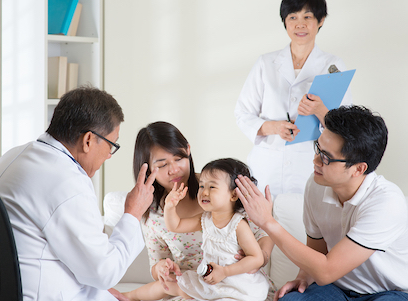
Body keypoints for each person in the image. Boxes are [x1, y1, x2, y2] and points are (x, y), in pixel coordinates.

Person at [0, 86, 158, 301]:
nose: (109, 156)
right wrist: (133, 213)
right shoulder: (67, 183)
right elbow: (105, 272)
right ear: (88, 141)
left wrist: (100, 290)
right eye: (111, 144)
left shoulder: (15, 155)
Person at [235, 105, 408, 300]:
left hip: (387, 293)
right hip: (336, 288)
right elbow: (316, 251)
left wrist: (268, 222)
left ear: (358, 169)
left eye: (326, 157)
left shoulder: (387, 203)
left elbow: (326, 270)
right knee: (291, 298)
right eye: (318, 148)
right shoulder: (316, 185)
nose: (315, 160)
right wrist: (303, 276)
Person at [130, 121, 275, 301]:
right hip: (196, 289)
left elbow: (264, 230)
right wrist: (161, 268)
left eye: (178, 158)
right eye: (162, 165)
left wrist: (259, 258)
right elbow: (160, 259)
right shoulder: (155, 215)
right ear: (147, 168)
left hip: (239, 284)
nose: (174, 169)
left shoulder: (223, 188)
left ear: (188, 150)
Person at [234, 0, 352, 197]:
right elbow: (243, 113)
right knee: (262, 220)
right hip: (267, 162)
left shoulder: (333, 65)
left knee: (304, 221)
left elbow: (346, 125)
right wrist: (275, 127)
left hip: (309, 162)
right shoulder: (266, 63)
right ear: (285, 22)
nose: (300, 24)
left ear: (320, 20)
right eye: (293, 17)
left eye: (307, 17)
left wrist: (320, 110)